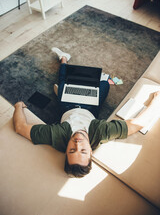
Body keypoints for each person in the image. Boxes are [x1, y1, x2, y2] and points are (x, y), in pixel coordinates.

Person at [13, 48, 160, 178]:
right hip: (91, 107)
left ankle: (64, 59)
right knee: (106, 82)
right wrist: (155, 102)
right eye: (83, 151)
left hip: (68, 106)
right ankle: (67, 91)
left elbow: (20, 127)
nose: (78, 144)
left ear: (65, 151)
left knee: (64, 81)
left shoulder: (57, 137)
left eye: (72, 150)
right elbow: (137, 124)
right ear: (91, 152)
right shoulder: (100, 133)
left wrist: (19, 106)